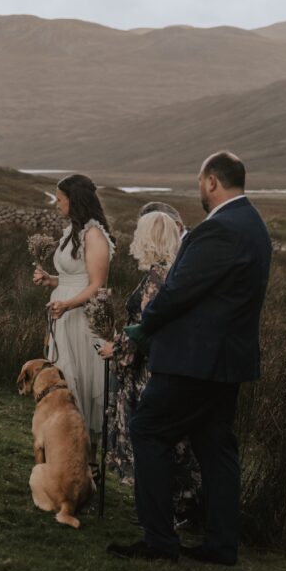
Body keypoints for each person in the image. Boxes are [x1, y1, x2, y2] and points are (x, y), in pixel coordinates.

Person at [108, 152, 272, 565]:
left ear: (212, 182)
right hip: (227, 360)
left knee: (147, 429)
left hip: (193, 359)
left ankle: (159, 541)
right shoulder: (254, 226)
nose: (199, 189)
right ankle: (221, 545)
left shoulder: (219, 230)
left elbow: (178, 291)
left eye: (200, 182)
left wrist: (145, 325)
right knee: (216, 447)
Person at [97, 211, 201, 522]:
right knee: (173, 440)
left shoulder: (157, 278)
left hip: (148, 372)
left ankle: (164, 511)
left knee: (152, 439)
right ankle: (175, 506)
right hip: (169, 367)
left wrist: (115, 349)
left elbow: (146, 327)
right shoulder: (176, 272)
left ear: (148, 240)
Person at [32, 174, 114, 449]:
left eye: (60, 198)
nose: (56, 203)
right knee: (64, 377)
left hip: (81, 319)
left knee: (80, 380)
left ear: (74, 201)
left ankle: (85, 454)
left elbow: (97, 285)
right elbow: (72, 277)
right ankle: (64, 440)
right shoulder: (72, 231)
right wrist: (52, 280)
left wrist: (68, 304)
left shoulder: (94, 235)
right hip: (62, 314)